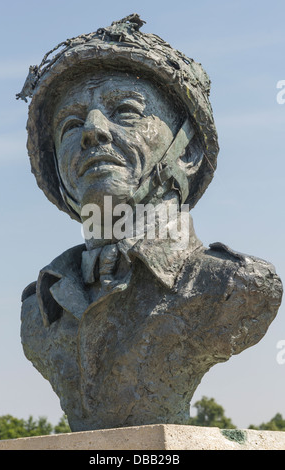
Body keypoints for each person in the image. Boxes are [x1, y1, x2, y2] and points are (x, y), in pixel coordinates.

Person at [18, 14, 282, 432]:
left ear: (188, 151)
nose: (93, 132)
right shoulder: (40, 309)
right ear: (55, 168)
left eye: (125, 111)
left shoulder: (233, 286)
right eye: (70, 124)